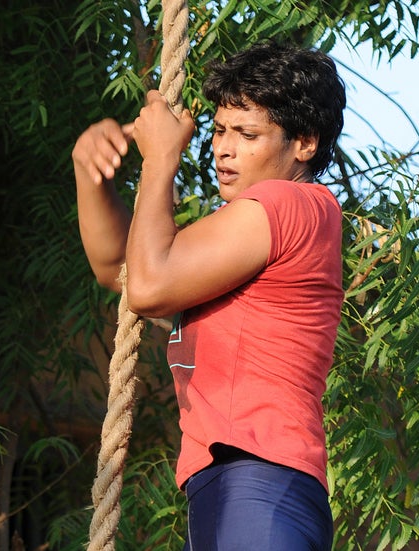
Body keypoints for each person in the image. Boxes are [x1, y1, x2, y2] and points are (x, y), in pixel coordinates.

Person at [72, 41, 346, 551]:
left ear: (304, 143)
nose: (223, 148)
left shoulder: (288, 204)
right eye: (220, 130)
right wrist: (92, 178)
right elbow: (123, 273)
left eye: (247, 134)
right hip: (231, 482)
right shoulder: (257, 229)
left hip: (258, 477)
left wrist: (161, 159)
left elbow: (150, 287)